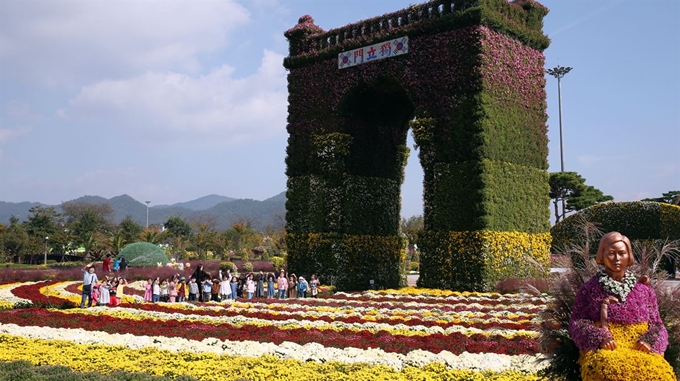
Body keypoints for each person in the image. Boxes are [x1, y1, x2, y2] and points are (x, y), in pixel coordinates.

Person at [569, 231, 676, 381]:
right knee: (606, 371)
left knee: (661, 374)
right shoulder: (589, 289)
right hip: (606, 351)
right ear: (602, 255)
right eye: (611, 253)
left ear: (629, 256)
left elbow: (657, 324)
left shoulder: (644, 290)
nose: (617, 258)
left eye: (622, 253)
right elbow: (577, 322)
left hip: (640, 350)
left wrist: (649, 341)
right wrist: (600, 338)